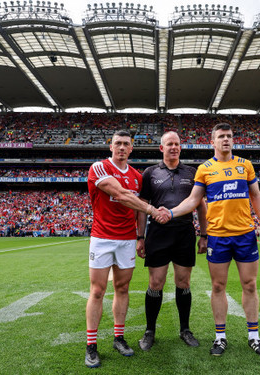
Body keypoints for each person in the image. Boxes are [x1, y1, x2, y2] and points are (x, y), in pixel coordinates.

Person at [157, 123, 260, 357]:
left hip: (244, 235)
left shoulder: (245, 165)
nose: (226, 140)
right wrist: (170, 212)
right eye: (221, 136)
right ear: (213, 141)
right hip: (218, 236)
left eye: (229, 136)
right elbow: (192, 201)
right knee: (218, 286)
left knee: (249, 285)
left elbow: (256, 195)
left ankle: (254, 337)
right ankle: (220, 337)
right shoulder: (205, 169)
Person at [85, 130, 165, 368]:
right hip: (102, 237)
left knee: (122, 288)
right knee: (98, 290)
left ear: (131, 149)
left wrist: (141, 237)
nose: (121, 147)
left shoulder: (137, 177)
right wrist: (153, 210)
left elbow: (138, 210)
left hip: (127, 239)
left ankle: (118, 338)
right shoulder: (99, 168)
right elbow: (119, 194)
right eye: (117, 143)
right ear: (111, 146)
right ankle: (91, 345)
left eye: (126, 144)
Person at [136, 131, 208, 351]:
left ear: (180, 147)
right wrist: (140, 237)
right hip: (158, 232)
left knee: (183, 282)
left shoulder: (192, 172)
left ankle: (185, 329)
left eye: (177, 144)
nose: (174, 147)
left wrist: (204, 235)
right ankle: (150, 331)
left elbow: (201, 205)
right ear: (161, 148)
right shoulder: (150, 173)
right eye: (169, 144)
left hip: (184, 231)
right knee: (155, 282)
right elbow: (141, 206)